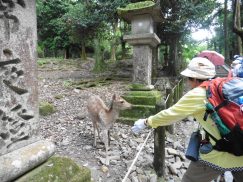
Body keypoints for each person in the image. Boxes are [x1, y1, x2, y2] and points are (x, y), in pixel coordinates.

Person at [131, 57, 243, 182]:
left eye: (188, 78)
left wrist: (147, 122)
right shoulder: (222, 86)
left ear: (194, 78)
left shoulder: (198, 94)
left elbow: (170, 114)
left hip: (221, 151)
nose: (188, 82)